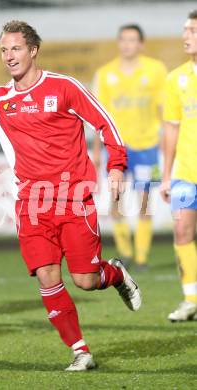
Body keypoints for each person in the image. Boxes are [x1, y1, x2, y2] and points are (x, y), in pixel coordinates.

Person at [0, 20, 141, 371]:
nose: (9, 56)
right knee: (46, 277)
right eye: (4, 49)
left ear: (33, 50)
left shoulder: (64, 87)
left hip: (74, 200)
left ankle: (114, 275)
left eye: (16, 49)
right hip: (32, 205)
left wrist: (116, 166)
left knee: (85, 280)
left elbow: (105, 122)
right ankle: (80, 350)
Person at [93, 25, 167, 270]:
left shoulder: (155, 70)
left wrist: (166, 145)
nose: (127, 44)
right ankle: (125, 252)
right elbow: (98, 117)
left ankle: (142, 257)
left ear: (141, 44)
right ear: (118, 43)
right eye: (123, 39)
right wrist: (95, 151)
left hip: (147, 146)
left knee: (145, 202)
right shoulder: (105, 74)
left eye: (132, 40)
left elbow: (163, 111)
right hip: (115, 148)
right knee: (116, 200)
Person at [161, 10, 197, 322]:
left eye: (193, 30)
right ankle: (191, 298)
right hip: (186, 173)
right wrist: (167, 175)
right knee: (182, 229)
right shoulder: (175, 79)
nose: (186, 35)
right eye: (185, 29)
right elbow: (171, 128)